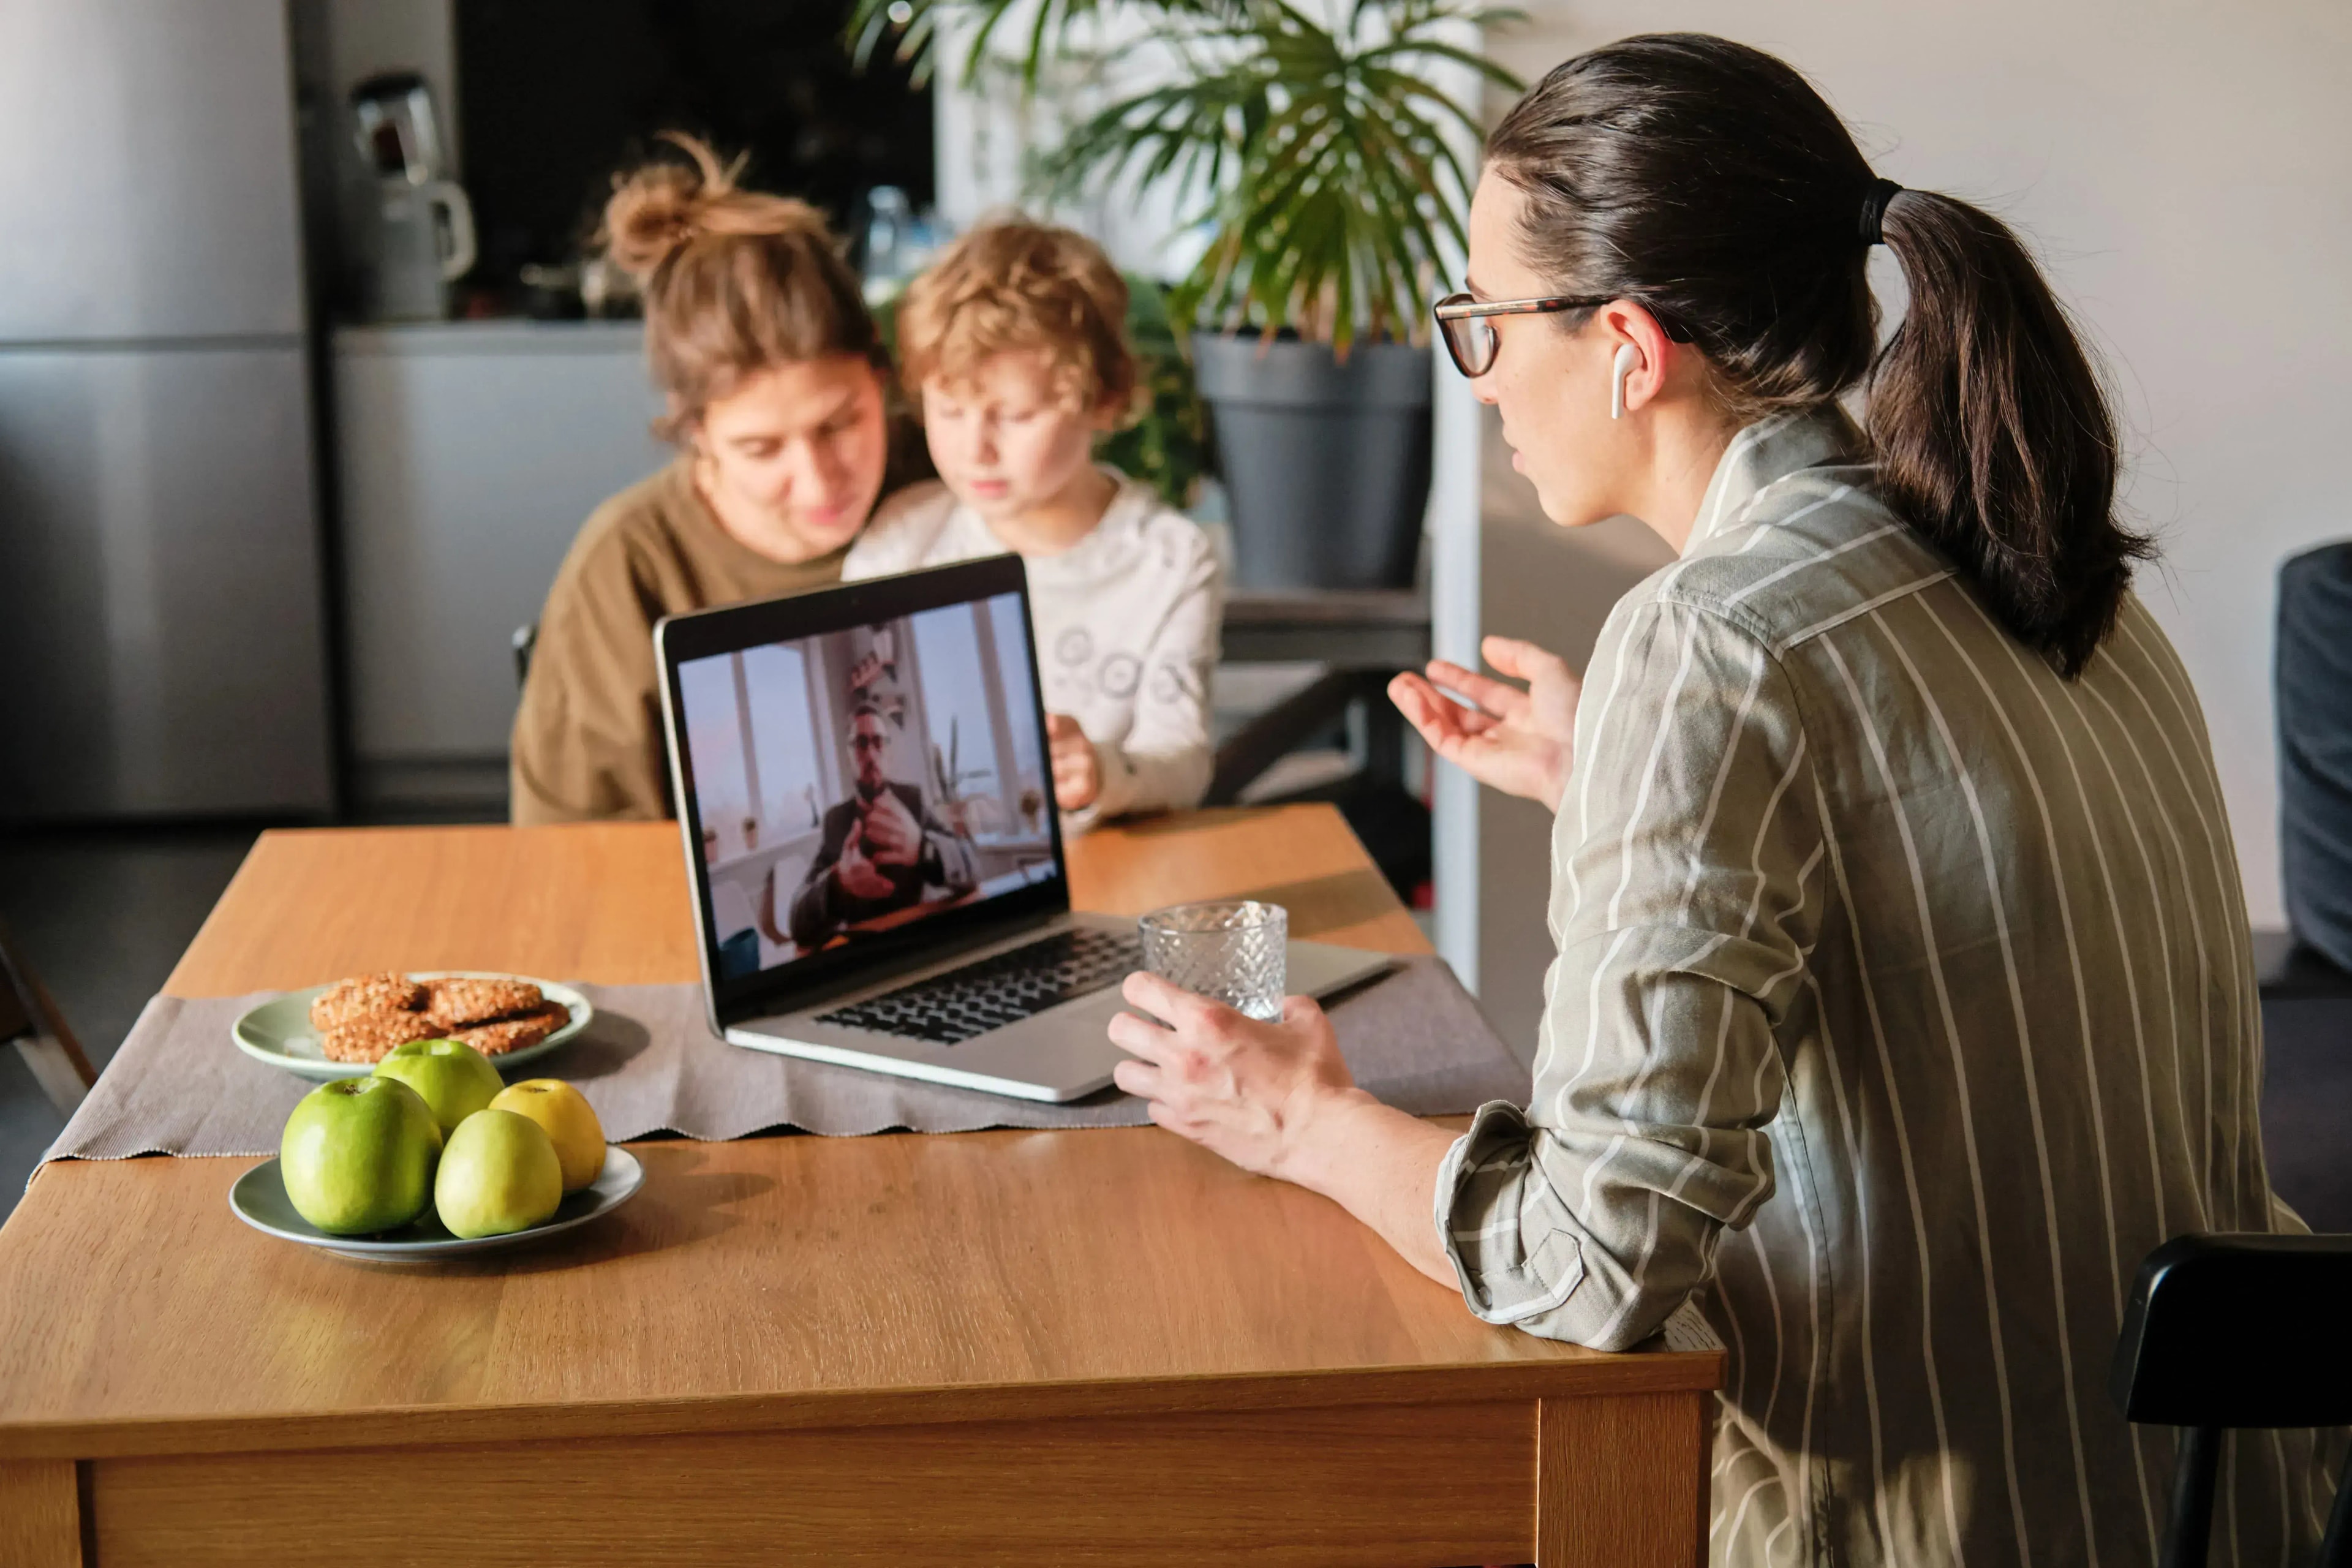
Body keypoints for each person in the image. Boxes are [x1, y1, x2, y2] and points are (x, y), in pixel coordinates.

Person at [1102, 33, 2343, 1567]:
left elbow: (1595, 1257)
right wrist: (1605, 778)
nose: (1478, 377)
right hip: (2226, 1505)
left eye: (1483, 322)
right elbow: (1948, 878)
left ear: (1628, 346)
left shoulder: (1717, 642)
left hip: (1924, 1526)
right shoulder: (2035, 551)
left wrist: (1299, 1115)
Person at [511, 134, 925, 824]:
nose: (819, 484)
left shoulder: (961, 478)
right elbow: (572, 850)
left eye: (840, 425)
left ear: (881, 377)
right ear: (695, 430)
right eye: (762, 449)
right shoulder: (630, 563)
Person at [842, 219, 1221, 831]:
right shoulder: (903, 538)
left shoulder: (1170, 561)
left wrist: (1101, 770)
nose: (975, 450)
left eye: (1016, 416)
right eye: (950, 410)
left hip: (1111, 862)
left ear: (1104, 399)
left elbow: (1185, 763)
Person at [786, 704, 980, 948]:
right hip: (866, 952)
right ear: (849, 755)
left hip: (918, 942)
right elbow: (797, 920)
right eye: (861, 744)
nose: (870, 755)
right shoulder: (836, 821)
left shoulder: (913, 802)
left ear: (889, 752)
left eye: (878, 742)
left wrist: (922, 848)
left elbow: (973, 864)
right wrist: (836, 884)